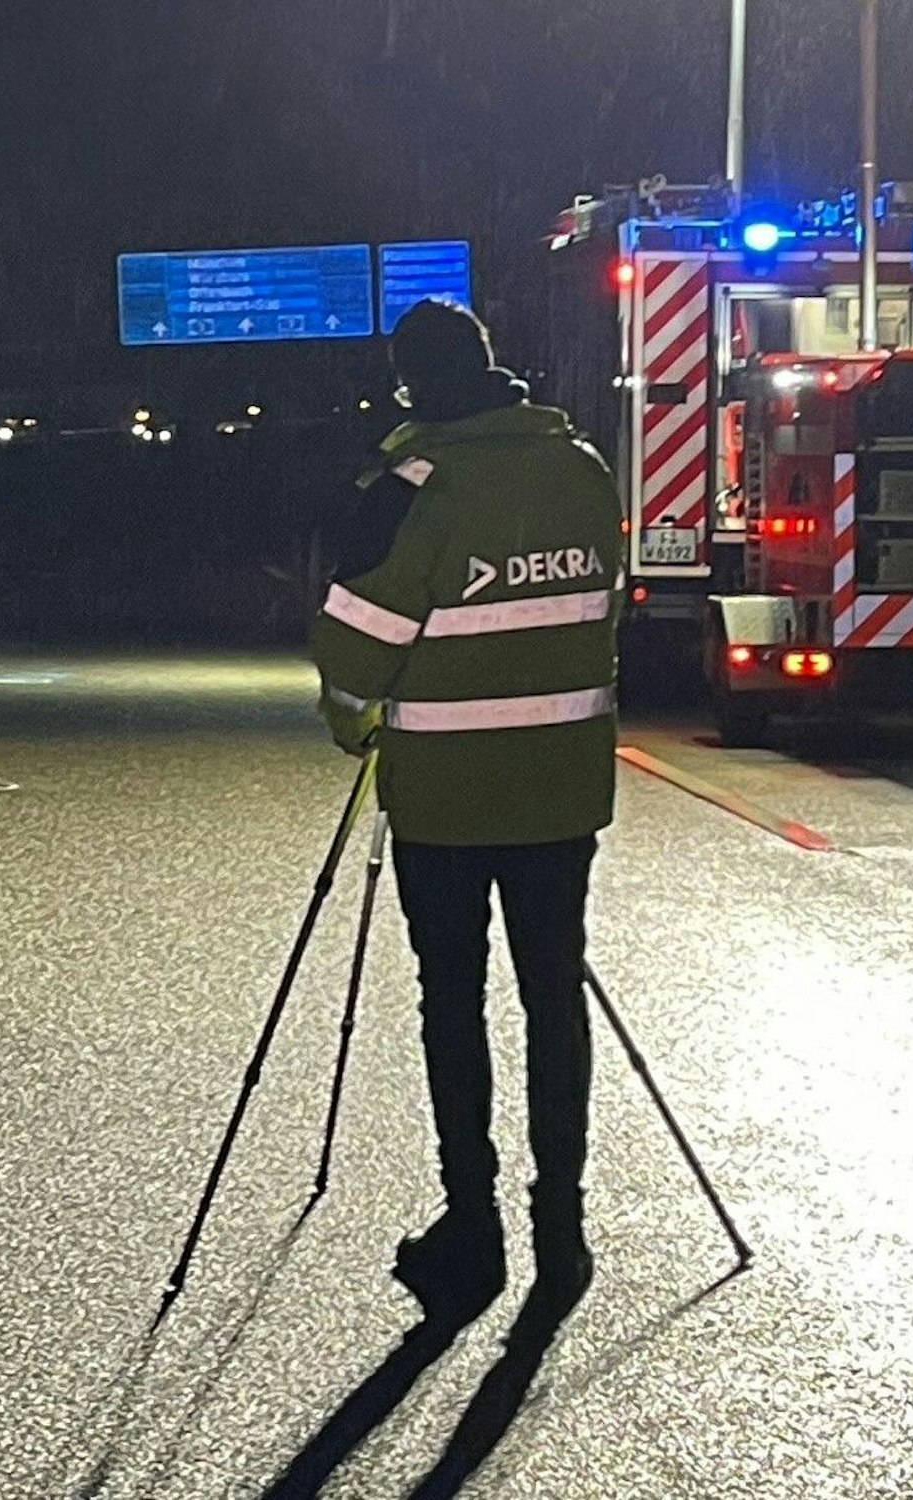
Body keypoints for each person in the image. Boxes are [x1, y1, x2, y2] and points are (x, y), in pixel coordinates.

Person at [309, 299, 624, 1327]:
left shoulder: (418, 491)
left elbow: (355, 651)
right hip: (563, 794)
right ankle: (561, 1225)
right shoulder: (580, 473)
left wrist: (355, 719)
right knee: (552, 999)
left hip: (444, 801)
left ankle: (471, 1224)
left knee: (453, 1001)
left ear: (412, 385)